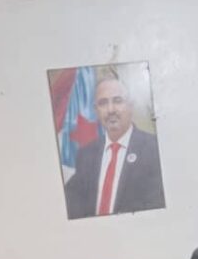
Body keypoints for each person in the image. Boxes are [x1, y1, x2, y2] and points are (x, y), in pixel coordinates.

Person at [64, 77, 165, 220]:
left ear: (131, 105)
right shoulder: (86, 154)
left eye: (117, 101)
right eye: (103, 103)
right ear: (96, 110)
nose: (110, 110)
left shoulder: (154, 149)